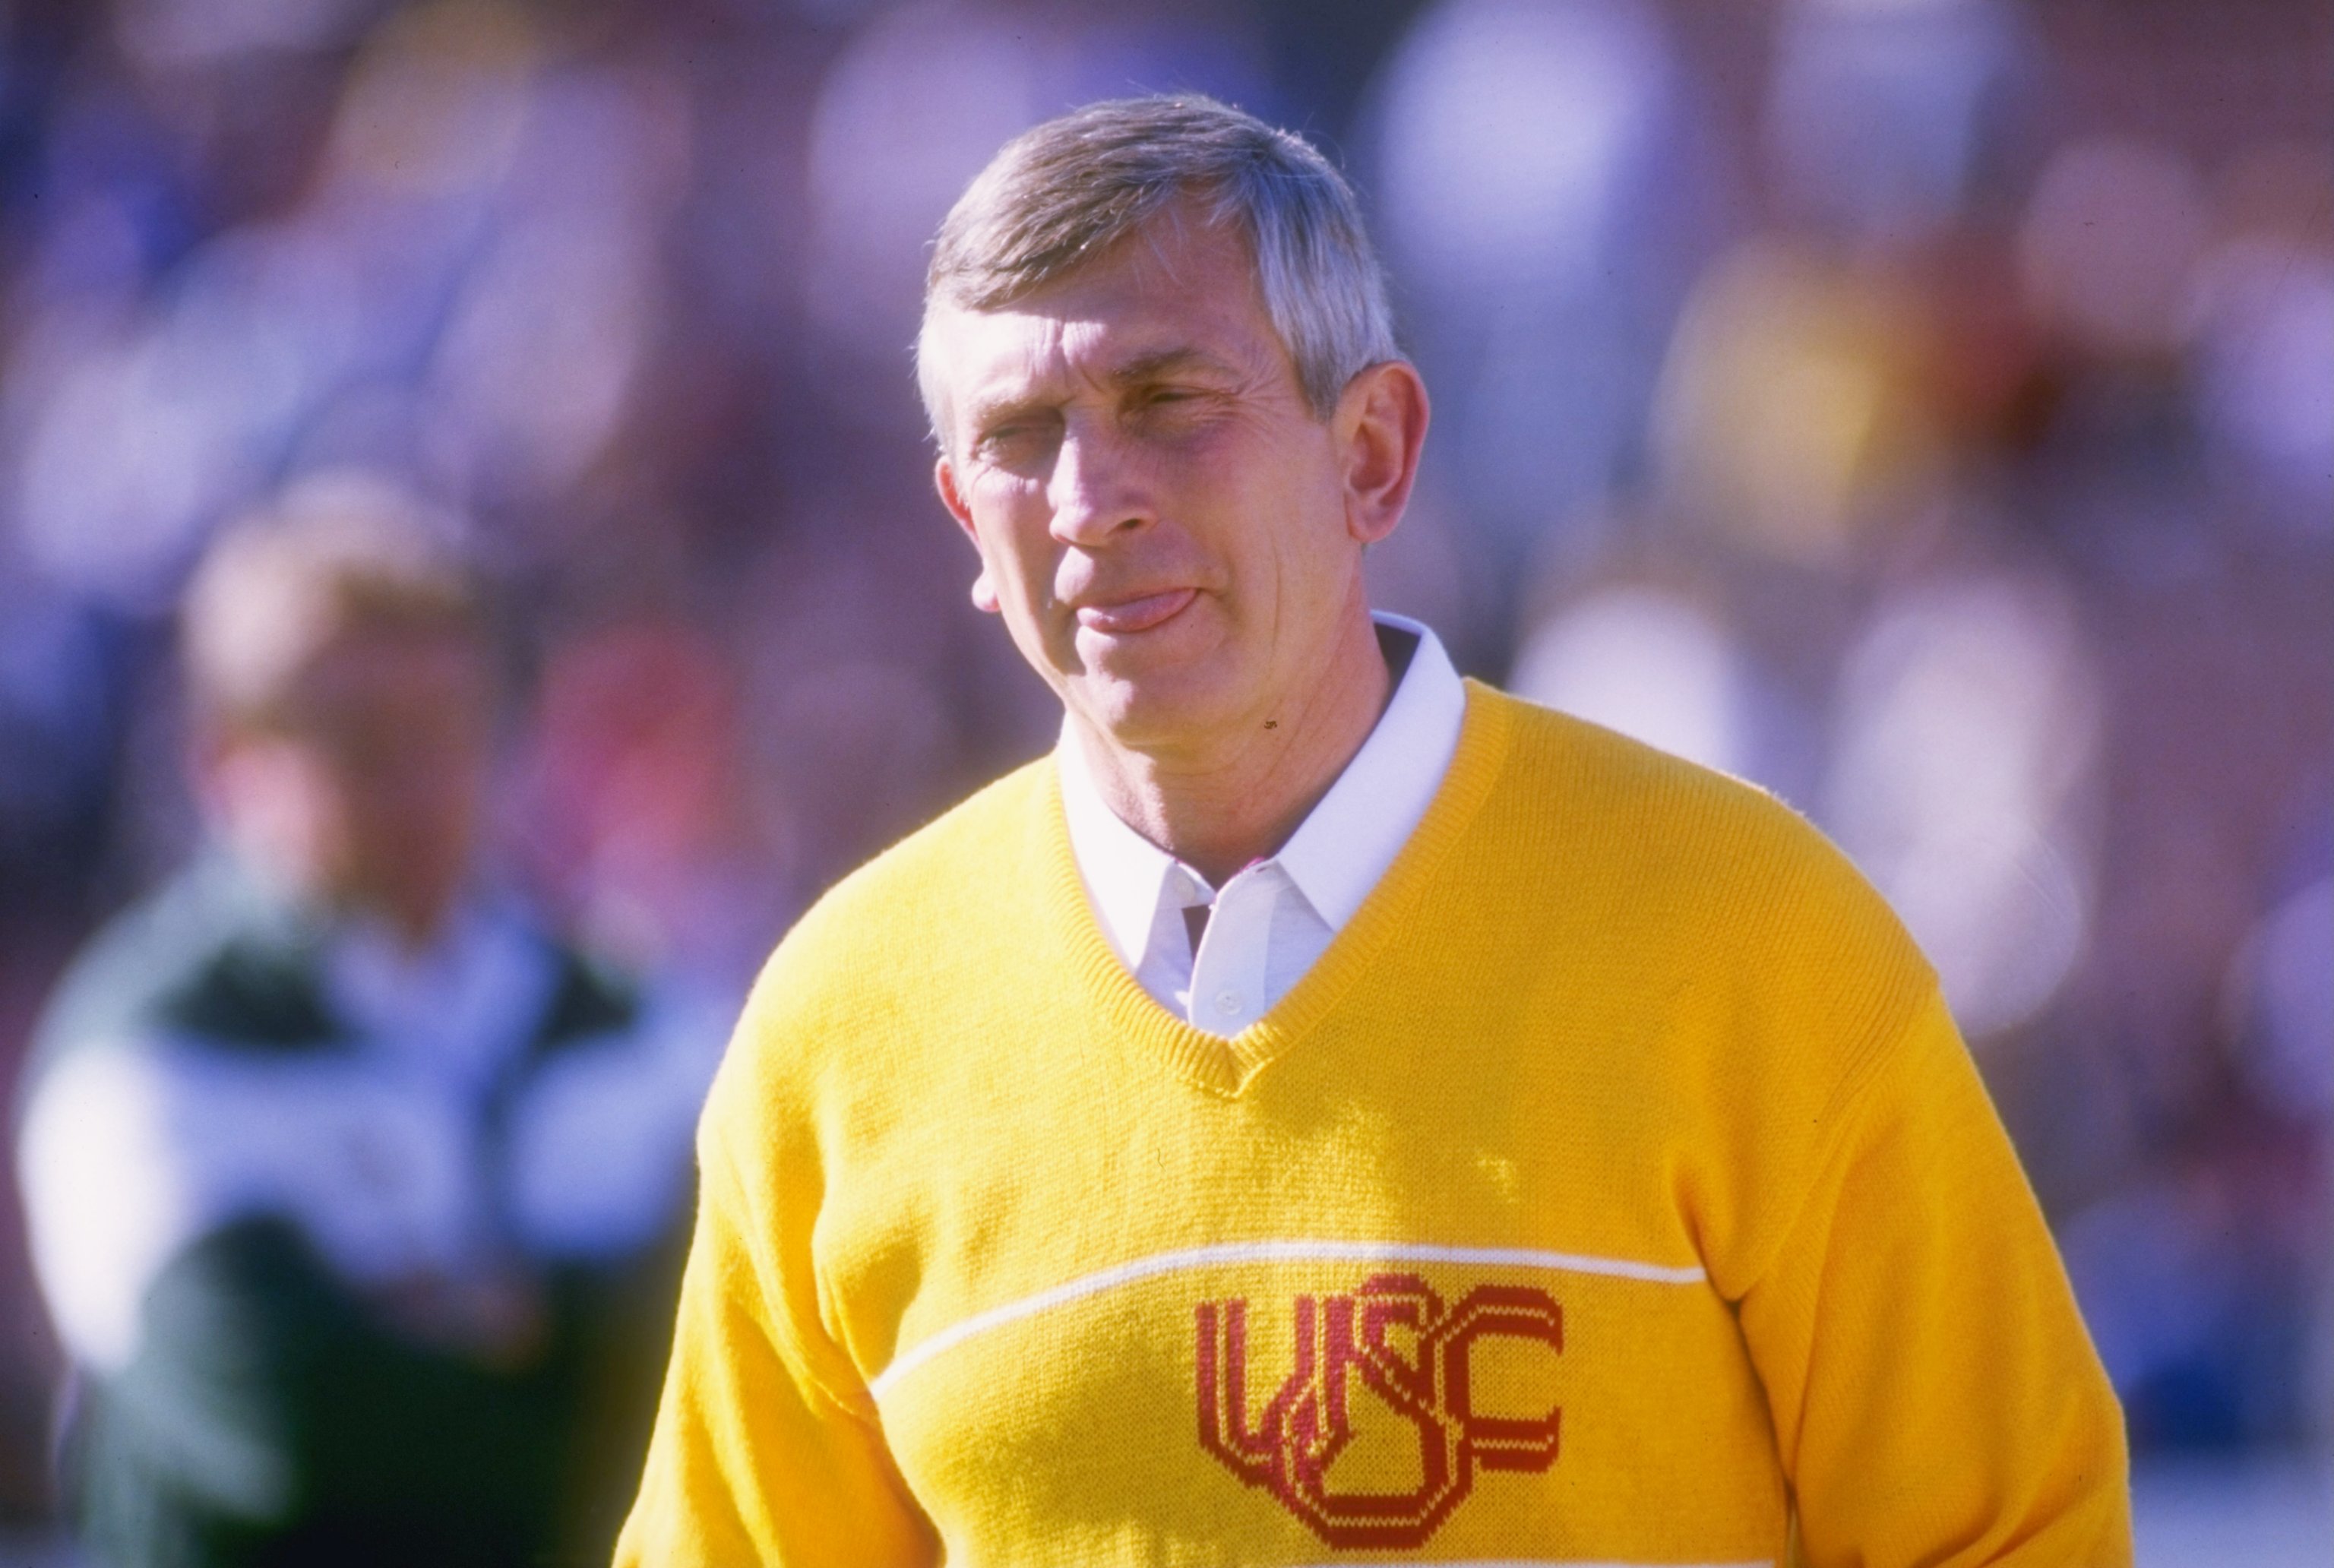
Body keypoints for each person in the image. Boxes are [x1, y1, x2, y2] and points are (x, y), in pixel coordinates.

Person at [616, 96, 2130, 1565]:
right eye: (1021, 435)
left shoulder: (1757, 941)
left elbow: (2010, 1541)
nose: (1089, 498)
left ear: (1373, 453)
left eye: (1168, 401)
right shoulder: (842, 1034)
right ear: (964, 523)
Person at [15, 477, 717, 1566]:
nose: (418, 786)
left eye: (448, 728)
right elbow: (282, 1431)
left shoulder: (638, 1022)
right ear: (225, 763)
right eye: (359, 742)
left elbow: (734, 1380)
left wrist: (437, 1331)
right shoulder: (150, 1044)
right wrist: (580, 1339)